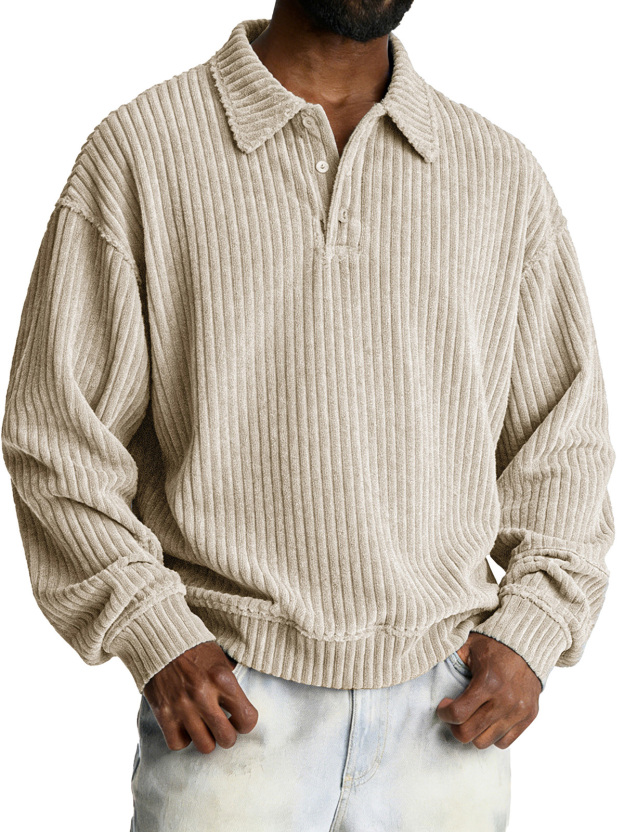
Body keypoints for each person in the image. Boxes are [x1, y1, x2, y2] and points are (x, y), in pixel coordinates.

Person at [2, 1, 615, 830]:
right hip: (227, 714)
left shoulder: (499, 175)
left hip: (448, 718)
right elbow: (55, 435)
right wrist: (155, 632)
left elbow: (564, 440)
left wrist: (533, 629)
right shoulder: (143, 152)